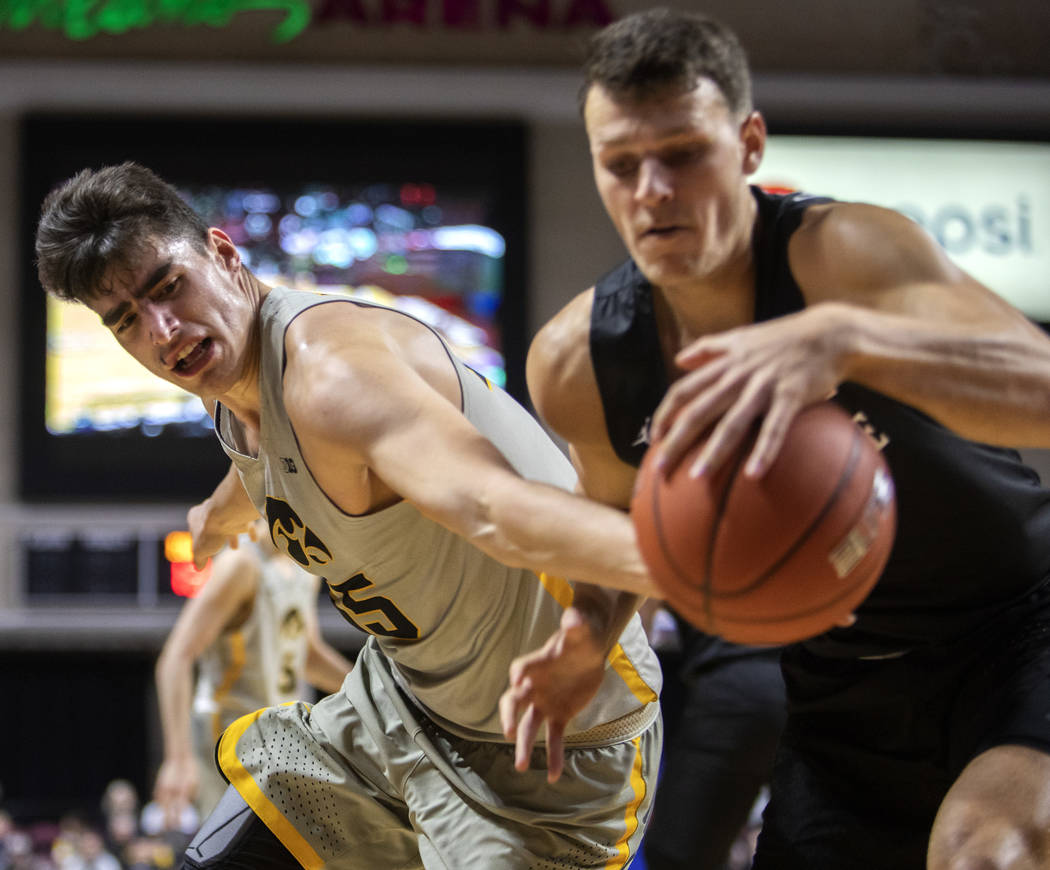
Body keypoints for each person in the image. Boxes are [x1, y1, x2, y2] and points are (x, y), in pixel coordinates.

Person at [523, 8, 1050, 869]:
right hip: (836, 684)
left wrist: (849, 339)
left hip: (1016, 629)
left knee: (983, 850)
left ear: (749, 144)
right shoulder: (582, 362)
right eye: (621, 165)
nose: (651, 188)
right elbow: (619, 536)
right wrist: (588, 632)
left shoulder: (848, 255)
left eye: (684, 154)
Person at [34, 161, 663, 869]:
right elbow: (271, 457)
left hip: (549, 751)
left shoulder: (332, 376)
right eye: (127, 321)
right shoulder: (229, 386)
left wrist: (650, 576)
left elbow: (494, 506)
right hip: (395, 715)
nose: (163, 329)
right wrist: (219, 512)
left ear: (224, 252)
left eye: (167, 286)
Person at [152, 520, 353, 824]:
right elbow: (175, 657)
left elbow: (307, 656)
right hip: (232, 737)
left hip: (282, 735)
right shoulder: (241, 565)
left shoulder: (306, 567)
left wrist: (367, 690)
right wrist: (178, 759)